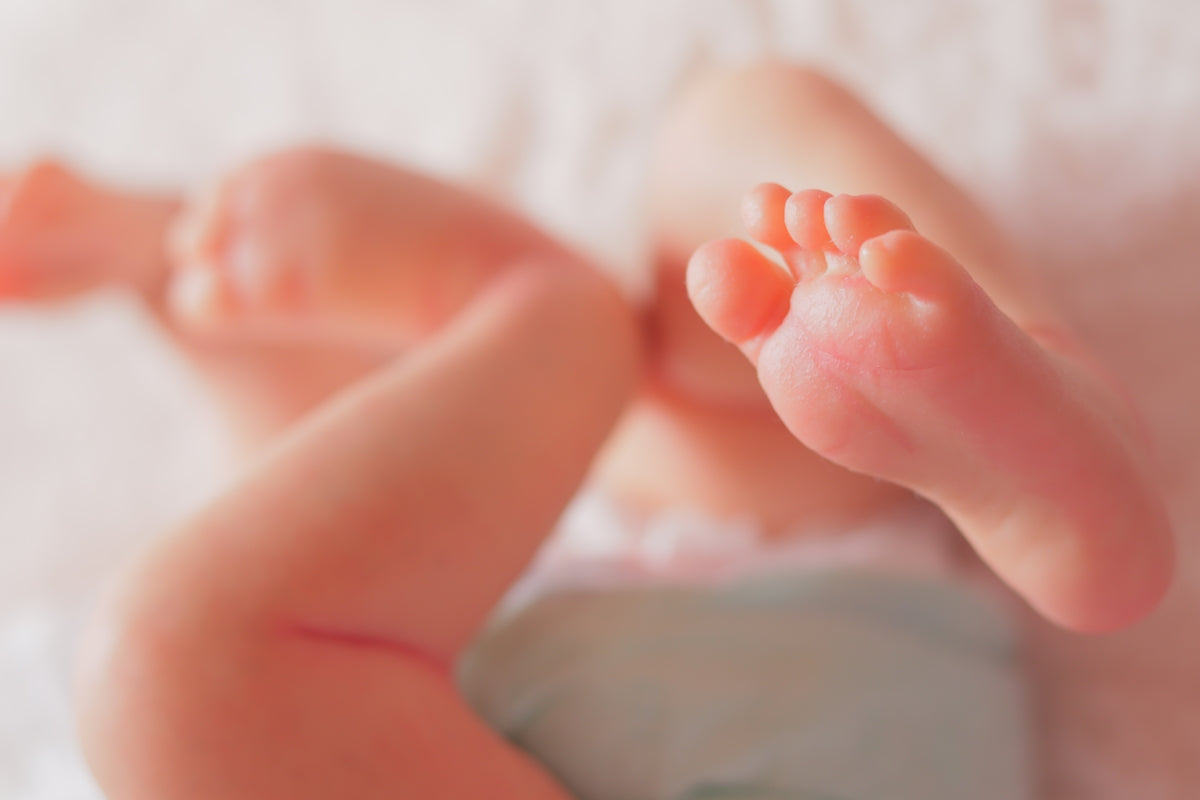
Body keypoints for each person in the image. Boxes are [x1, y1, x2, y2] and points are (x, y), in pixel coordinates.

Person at [0, 63, 1171, 799]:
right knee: (174, 677)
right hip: (763, 650)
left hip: (733, 638)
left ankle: (1028, 412)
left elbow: (318, 531)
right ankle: (530, 311)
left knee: (743, 185)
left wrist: (189, 285)